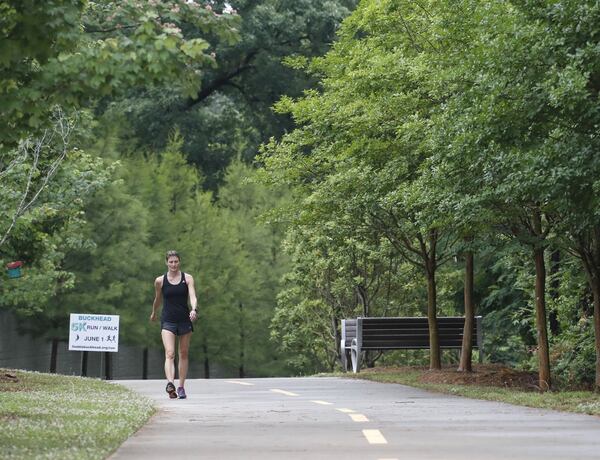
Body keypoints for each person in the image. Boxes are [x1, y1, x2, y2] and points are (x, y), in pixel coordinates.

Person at [150, 250, 198, 399]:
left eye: (176, 261)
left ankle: (181, 387)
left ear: (179, 262)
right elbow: (158, 299)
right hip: (168, 320)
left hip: (184, 319)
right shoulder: (160, 281)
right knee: (170, 353)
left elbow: (193, 296)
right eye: (171, 262)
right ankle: (170, 383)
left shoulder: (187, 278)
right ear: (166, 263)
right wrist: (153, 312)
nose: (173, 264)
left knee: (183, 353)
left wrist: (194, 309)